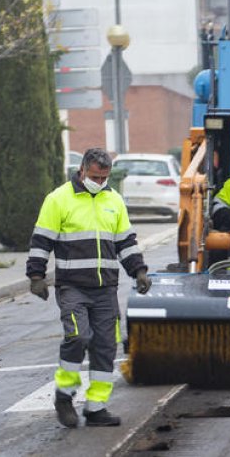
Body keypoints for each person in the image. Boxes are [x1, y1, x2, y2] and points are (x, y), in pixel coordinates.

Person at [26, 148, 151, 429]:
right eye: (95, 176)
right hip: (73, 287)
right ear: (82, 170)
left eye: (105, 177)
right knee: (78, 336)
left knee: (105, 347)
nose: (100, 181)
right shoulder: (58, 199)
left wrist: (139, 270)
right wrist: (36, 275)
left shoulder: (114, 200)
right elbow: (42, 240)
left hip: (105, 288)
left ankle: (96, 408)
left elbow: (125, 242)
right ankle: (64, 395)